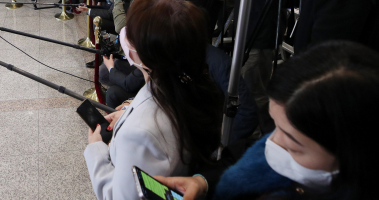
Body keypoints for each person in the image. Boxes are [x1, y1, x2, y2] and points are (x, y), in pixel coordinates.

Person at [157, 41, 379, 200]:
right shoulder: (275, 145)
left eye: (293, 145)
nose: (272, 143)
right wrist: (202, 182)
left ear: (354, 154)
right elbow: (236, 158)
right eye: (274, 125)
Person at [84, 0, 223, 200]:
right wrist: (127, 112)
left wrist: (95, 149)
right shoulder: (183, 82)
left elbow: (120, 196)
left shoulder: (140, 134)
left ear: (149, 54)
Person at [223, 0, 281, 113]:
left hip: (258, 30)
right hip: (246, 28)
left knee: (253, 86)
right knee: (243, 83)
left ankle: (256, 132)